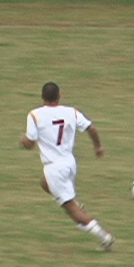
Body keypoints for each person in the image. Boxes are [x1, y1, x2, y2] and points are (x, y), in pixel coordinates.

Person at [20, 82, 115, 251]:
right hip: (70, 162)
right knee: (44, 183)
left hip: (54, 167)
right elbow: (91, 128)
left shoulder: (34, 115)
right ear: (59, 96)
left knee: (71, 210)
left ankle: (104, 237)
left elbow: (30, 144)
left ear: (42, 97)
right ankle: (77, 206)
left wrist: (23, 141)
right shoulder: (71, 112)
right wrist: (98, 147)